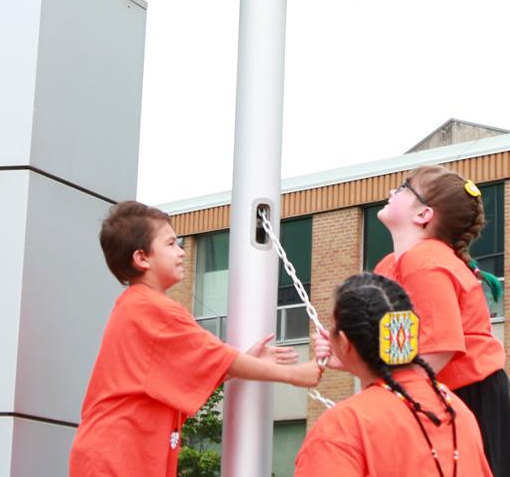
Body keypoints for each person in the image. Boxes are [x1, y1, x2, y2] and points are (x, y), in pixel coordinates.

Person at [70, 201, 323, 477]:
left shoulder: (135, 306)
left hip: (116, 453)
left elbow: (200, 365)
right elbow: (218, 358)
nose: (181, 252)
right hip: (118, 456)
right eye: (171, 244)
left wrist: (246, 362)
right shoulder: (153, 308)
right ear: (142, 258)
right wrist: (294, 374)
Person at [365, 165, 510, 477]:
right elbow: (402, 347)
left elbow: (440, 348)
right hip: (438, 391)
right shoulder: (394, 264)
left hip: (469, 393)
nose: (392, 191)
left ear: (423, 214)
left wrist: (387, 396)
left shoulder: (425, 261)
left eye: (404, 187)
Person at [294, 273, 491, 476]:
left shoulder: (343, 425)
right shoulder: (456, 410)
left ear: (343, 342)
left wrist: (352, 356)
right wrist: (353, 358)